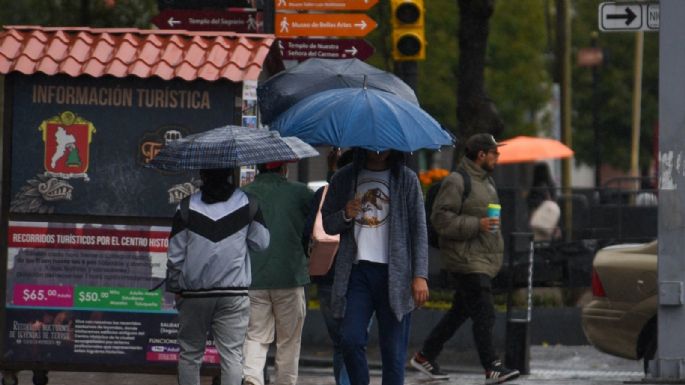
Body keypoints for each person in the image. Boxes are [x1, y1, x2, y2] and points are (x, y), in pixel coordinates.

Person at [410, 134, 520, 384]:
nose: (498, 158)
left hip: (481, 258)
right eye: (494, 153)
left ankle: (425, 355)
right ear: (481, 154)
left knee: (460, 312)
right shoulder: (457, 181)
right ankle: (491, 367)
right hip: (465, 260)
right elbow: (441, 220)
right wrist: (477, 224)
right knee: (485, 312)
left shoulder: (487, 182)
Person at [321, 149, 429, 385]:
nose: (379, 150)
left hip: (395, 275)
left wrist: (420, 275)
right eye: (373, 144)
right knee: (350, 340)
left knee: (393, 353)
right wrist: (345, 214)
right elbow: (328, 223)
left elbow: (419, 230)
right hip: (357, 272)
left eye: (385, 145)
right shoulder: (345, 177)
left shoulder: (407, 179)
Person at [166, 168, 270, 385]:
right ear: (230, 175)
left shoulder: (186, 206)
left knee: (190, 354)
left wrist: (175, 287)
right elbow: (261, 242)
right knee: (232, 356)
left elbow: (175, 254)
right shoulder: (248, 203)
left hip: (194, 294)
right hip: (233, 294)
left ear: (203, 176)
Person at [242, 161, 314, 385]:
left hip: (253, 277)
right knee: (289, 340)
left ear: (258, 168)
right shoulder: (301, 192)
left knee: (255, 334)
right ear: (284, 168)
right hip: (290, 276)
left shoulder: (243, 194)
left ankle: (252, 377)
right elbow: (320, 221)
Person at [302, 149, 354, 385]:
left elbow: (307, 232)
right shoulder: (366, 196)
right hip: (357, 276)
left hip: (327, 273)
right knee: (353, 340)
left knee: (340, 342)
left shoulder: (324, 193)